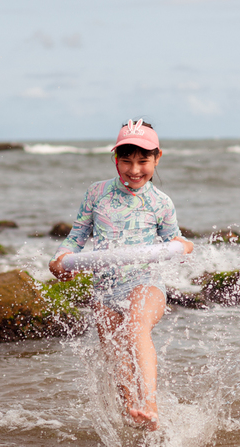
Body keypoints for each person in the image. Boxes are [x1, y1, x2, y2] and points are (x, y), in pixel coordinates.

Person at [49, 119, 194, 430]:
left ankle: (150, 403)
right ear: (115, 158)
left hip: (145, 281)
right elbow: (77, 236)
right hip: (105, 289)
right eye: (126, 160)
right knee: (115, 352)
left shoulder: (161, 203)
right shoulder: (96, 194)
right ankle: (133, 409)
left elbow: (174, 239)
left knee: (136, 327)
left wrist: (182, 246)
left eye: (143, 160)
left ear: (157, 158)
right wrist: (61, 258)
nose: (134, 169)